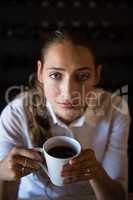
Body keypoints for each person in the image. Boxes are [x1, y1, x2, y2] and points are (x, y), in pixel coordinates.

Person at [0, 29, 130, 200]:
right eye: (55, 75)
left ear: (97, 75)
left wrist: (96, 173)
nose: (68, 93)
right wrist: (2, 174)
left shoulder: (115, 110)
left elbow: (118, 196)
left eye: (83, 76)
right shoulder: (16, 113)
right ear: (40, 73)